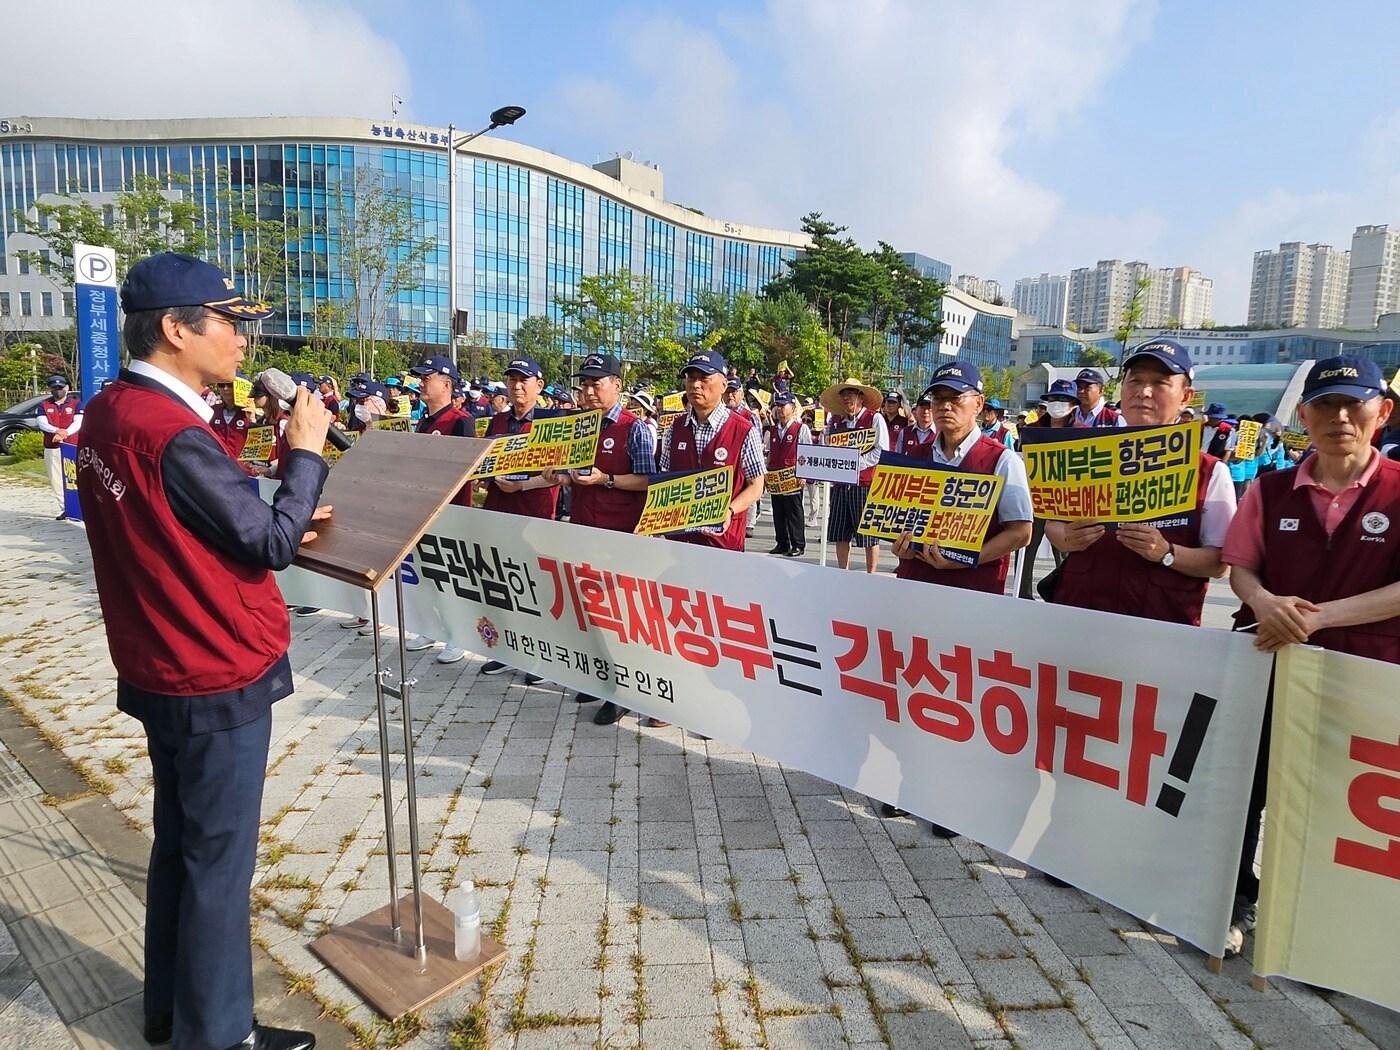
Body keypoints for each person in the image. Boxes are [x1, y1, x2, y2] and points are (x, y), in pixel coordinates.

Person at [76, 251, 329, 1050]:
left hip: (157, 660)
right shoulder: (171, 429)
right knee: (219, 866)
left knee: (181, 847)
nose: (244, 342)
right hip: (211, 669)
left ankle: (170, 1014)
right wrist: (308, 452)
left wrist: (261, 515)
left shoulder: (111, 411)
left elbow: (189, 524)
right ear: (179, 331)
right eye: (232, 323)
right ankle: (218, 1037)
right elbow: (273, 541)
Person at [1221, 354, 1399, 956]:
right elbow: (1241, 566)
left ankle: (1328, 923)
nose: (1340, 418)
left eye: (1355, 404)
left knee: (1341, 798)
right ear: (1303, 416)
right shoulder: (1271, 490)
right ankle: (1239, 899)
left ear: (1384, 411)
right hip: (1268, 663)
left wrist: (1318, 617)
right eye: (1325, 406)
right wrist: (1264, 601)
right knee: (1248, 787)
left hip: (1365, 674)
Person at [884, 362, 1032, 829]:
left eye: (957, 398)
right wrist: (897, 542)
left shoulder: (1001, 459)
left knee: (960, 699)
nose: (946, 407)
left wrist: (966, 559)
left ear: (978, 403)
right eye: (938, 399)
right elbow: (895, 522)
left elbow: (1021, 532)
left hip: (970, 591)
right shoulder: (915, 454)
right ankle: (912, 784)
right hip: (918, 589)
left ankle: (950, 799)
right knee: (915, 687)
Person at [1045, 339, 1236, 626]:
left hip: (1161, 626)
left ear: (1186, 396)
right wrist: (1067, 538)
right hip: (1079, 617)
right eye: (1134, 381)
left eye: (1159, 383)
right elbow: (1052, 523)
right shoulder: (1085, 454)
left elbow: (1219, 561)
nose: (1143, 392)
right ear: (1122, 390)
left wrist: (1167, 554)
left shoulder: (1209, 472)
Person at [543, 353, 657, 724]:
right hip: (583, 530)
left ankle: (623, 692)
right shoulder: (578, 427)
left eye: (597, 383)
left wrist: (606, 479)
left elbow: (648, 480)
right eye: (585, 384)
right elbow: (569, 474)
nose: (589, 391)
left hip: (619, 534)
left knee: (618, 618)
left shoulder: (634, 427)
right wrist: (558, 476)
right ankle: (596, 679)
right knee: (588, 611)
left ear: (616, 386)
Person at [477, 357, 560, 676]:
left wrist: (523, 485)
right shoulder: (497, 421)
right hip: (499, 510)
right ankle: (508, 649)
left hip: (534, 512)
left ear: (539, 386)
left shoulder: (553, 422)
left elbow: (558, 472)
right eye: (511, 379)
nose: (516, 385)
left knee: (534, 586)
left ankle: (539, 657)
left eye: (524, 380)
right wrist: (489, 478)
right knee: (502, 583)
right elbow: (485, 461)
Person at [659, 349, 766, 554]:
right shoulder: (676, 428)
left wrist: (730, 510)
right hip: (679, 543)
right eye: (691, 378)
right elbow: (665, 478)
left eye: (704, 378)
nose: (696, 385)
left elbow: (756, 486)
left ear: (723, 385)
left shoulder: (743, 430)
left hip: (723, 544)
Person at [408, 354, 478, 665]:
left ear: (446, 384)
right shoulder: (424, 421)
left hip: (451, 511)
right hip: (424, 508)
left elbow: (465, 470)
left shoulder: (461, 421)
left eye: (428, 377)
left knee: (450, 575)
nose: (422, 382)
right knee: (427, 573)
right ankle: (430, 627)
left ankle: (457, 635)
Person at [1015, 380, 1079, 599]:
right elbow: (1021, 461)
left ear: (1073, 404)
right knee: (1026, 549)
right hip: (1035, 499)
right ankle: (1023, 595)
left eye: (1062, 400)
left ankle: (1064, 594)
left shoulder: (1084, 432)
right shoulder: (1032, 430)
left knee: (1066, 553)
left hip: (1067, 502)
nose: (1057, 404)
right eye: (1052, 399)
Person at [820, 377, 890, 573]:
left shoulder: (874, 418)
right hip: (841, 484)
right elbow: (827, 447)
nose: (846, 399)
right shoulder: (835, 421)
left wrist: (855, 465)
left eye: (850, 394)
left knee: (868, 534)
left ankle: (871, 573)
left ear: (861, 397)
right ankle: (843, 571)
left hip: (865, 483)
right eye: (843, 395)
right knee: (840, 532)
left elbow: (880, 450)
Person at [766, 392, 811, 557]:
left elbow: (806, 453)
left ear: (792, 408)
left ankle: (798, 543)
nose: (779, 409)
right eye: (777, 405)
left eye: (783, 405)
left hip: (792, 475)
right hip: (776, 475)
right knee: (778, 510)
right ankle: (782, 542)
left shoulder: (801, 428)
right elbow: (769, 452)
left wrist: (803, 474)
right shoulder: (772, 430)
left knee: (794, 511)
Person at [36, 374, 82, 519]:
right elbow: (42, 423)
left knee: (75, 477)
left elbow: (78, 422)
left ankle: (79, 507)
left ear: (67, 387)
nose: (57, 391)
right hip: (52, 446)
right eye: (54, 388)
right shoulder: (44, 405)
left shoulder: (76, 404)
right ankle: (65, 508)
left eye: (60, 388)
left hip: (71, 446)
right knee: (56, 479)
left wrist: (65, 433)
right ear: (50, 389)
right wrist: (56, 431)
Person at [208, 376, 254, 461]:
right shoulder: (212, 410)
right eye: (221, 385)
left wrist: (252, 420)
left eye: (230, 385)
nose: (225, 389)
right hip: (217, 463)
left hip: (242, 467)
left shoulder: (252, 412)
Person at [898, 390, 937, 458]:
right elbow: (897, 458)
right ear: (916, 410)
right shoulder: (904, 433)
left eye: (929, 408)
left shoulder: (941, 433)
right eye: (922, 407)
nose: (926, 411)